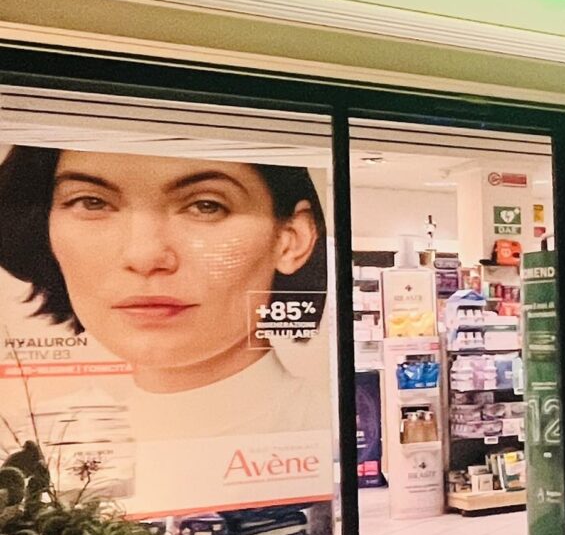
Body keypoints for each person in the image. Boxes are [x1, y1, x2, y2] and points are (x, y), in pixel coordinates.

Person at [0, 145, 331, 440]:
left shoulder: (330, 431)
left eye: (206, 206)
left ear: (291, 239)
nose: (144, 256)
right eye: (92, 202)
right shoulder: (32, 440)